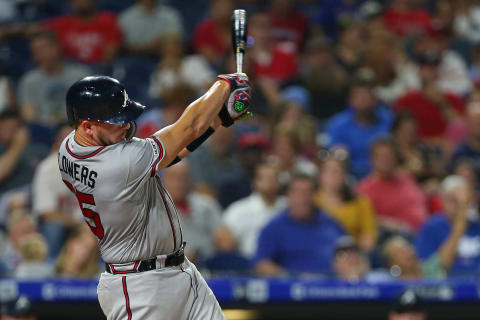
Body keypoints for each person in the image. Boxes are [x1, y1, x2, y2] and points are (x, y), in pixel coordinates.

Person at [58, 73, 251, 319]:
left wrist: (219, 118)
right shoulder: (119, 163)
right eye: (116, 120)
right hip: (139, 287)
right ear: (87, 126)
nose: (126, 126)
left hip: (180, 273)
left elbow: (169, 154)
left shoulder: (68, 150)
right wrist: (226, 84)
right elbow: (188, 126)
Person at [253, 173, 345, 276]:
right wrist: (292, 278)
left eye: (307, 193)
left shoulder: (330, 223)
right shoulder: (273, 229)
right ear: (288, 195)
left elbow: (350, 252)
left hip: (332, 286)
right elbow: (261, 265)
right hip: (292, 287)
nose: (302, 199)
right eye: (298, 193)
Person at [357, 137, 428, 236]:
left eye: (389, 156)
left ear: (395, 158)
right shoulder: (365, 189)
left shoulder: (406, 178)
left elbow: (419, 199)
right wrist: (389, 224)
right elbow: (363, 220)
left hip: (425, 231)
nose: (386, 160)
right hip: (397, 237)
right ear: (372, 160)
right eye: (381, 157)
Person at [324, 78, 393, 179]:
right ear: (350, 100)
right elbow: (335, 158)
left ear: (374, 99)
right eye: (358, 97)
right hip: (350, 176)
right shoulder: (337, 125)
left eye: (366, 96)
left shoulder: (389, 120)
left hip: (386, 174)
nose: (363, 101)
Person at [18, 30, 90, 126]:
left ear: (57, 47)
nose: (40, 54)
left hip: (75, 127)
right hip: (44, 129)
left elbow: (89, 109)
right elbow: (29, 115)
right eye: (36, 51)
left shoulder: (80, 75)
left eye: (44, 48)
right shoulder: (28, 81)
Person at [32, 122, 82, 259]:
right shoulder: (47, 167)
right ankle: (50, 266)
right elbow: (47, 214)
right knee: (53, 227)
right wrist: (76, 223)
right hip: (62, 225)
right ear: (56, 142)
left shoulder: (93, 165)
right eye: (64, 139)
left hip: (85, 225)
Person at [161, 160, 226, 264]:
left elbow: (226, 241)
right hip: (173, 269)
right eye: (174, 178)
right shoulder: (154, 210)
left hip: (209, 264)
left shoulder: (206, 204)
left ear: (191, 180)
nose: (179, 183)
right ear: (163, 180)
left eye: (184, 178)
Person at [415, 175, 480, 277]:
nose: (460, 206)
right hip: (448, 285)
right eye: (454, 200)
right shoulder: (431, 227)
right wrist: (459, 227)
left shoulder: (477, 226)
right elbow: (432, 270)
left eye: (465, 200)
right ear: (442, 200)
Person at [315, 151, 377, 252]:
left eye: (338, 171)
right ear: (320, 175)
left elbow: (369, 238)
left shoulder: (361, 203)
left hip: (353, 254)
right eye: (330, 171)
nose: (334, 175)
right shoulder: (311, 202)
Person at [223, 161, 287, 259]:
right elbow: (225, 241)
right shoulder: (238, 210)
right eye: (265, 178)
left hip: (284, 265)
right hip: (247, 266)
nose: (270, 181)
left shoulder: (288, 207)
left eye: (274, 177)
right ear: (254, 182)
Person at [43, 0, 122, 64]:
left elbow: (110, 52)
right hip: (72, 69)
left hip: (100, 68)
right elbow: (37, 28)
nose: (82, 2)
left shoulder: (107, 20)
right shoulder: (63, 23)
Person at [118, 0, 184, 56]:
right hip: (132, 56)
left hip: (161, 56)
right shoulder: (126, 17)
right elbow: (125, 45)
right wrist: (151, 45)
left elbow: (175, 40)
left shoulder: (170, 15)